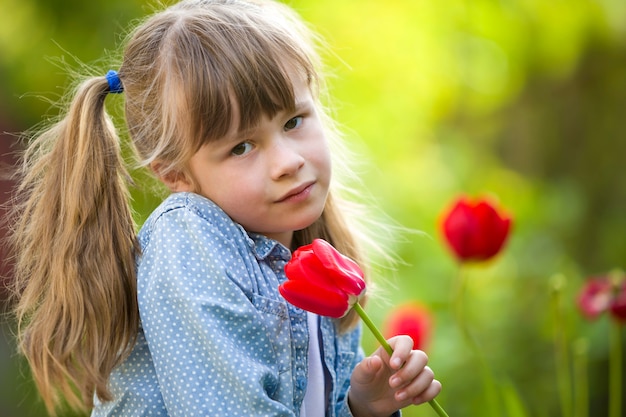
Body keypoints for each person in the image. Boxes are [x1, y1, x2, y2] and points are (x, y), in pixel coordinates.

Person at [9, 0, 442, 416]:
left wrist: (362, 408)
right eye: (242, 147)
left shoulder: (319, 263)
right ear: (176, 174)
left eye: (293, 122)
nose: (288, 162)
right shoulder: (189, 240)